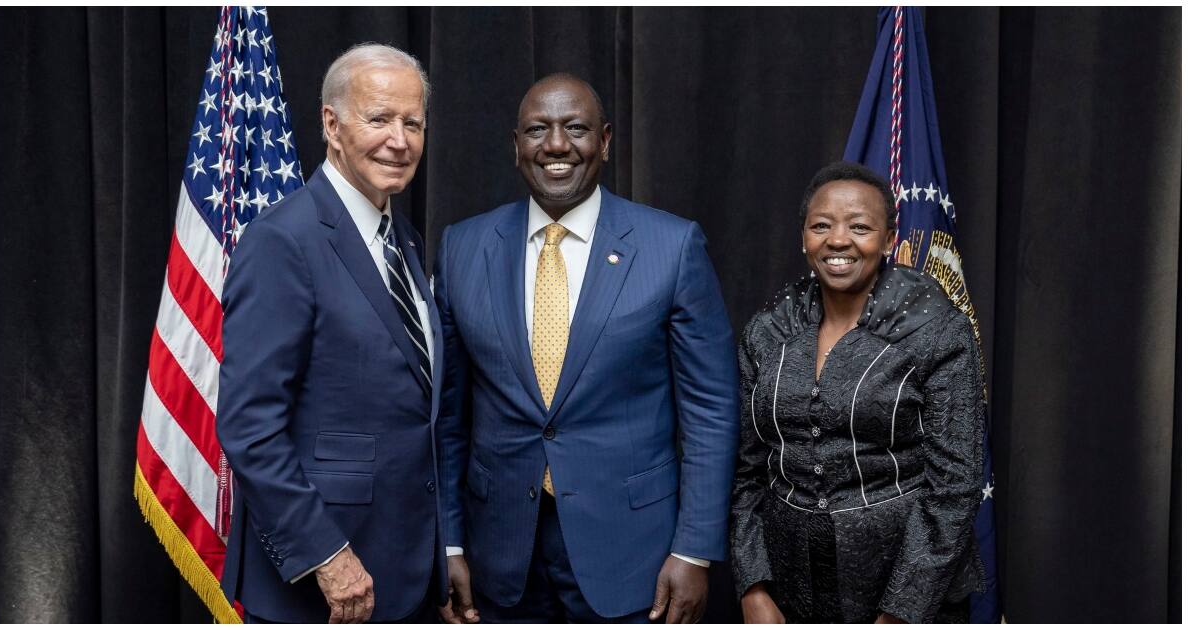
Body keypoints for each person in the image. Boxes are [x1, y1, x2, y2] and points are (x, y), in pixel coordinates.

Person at [433, 73, 739, 624]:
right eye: (537, 130)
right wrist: (451, 542)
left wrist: (694, 548)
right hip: (497, 557)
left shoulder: (671, 247)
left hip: (634, 554)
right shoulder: (462, 247)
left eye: (574, 128)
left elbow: (711, 412)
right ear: (516, 144)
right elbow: (448, 417)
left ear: (605, 141)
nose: (555, 145)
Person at [216, 43, 446, 623]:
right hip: (326, 581)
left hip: (404, 568)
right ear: (331, 124)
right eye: (379, 118)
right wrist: (327, 555)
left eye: (413, 122)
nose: (400, 139)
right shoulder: (282, 241)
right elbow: (249, 427)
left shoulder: (406, 242)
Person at [730, 162, 985, 624]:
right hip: (789, 591)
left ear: (889, 239)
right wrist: (753, 585)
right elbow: (746, 471)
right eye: (821, 226)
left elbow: (955, 486)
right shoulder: (767, 332)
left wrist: (902, 612)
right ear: (803, 237)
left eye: (860, 227)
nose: (838, 240)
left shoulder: (937, 331)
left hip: (907, 588)